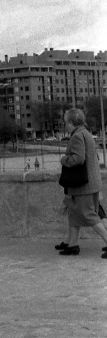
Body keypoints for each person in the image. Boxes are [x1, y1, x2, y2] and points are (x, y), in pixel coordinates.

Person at [56, 108, 107, 256]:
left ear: (72, 122)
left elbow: (78, 159)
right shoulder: (86, 133)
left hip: (83, 185)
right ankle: (72, 244)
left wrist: (64, 159)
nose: (65, 125)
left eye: (66, 123)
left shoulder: (77, 136)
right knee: (74, 213)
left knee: (89, 215)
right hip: (91, 182)